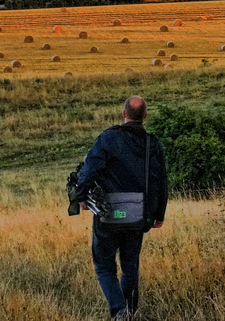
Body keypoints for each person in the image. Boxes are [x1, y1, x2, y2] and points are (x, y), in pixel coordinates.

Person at [75, 95, 168, 319]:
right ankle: (130, 313)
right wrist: (159, 214)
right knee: (130, 268)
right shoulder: (151, 143)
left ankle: (119, 312)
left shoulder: (107, 138)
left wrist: (80, 197)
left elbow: (89, 170)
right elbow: (161, 180)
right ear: (145, 116)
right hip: (138, 215)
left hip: (110, 214)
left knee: (105, 267)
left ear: (123, 114)